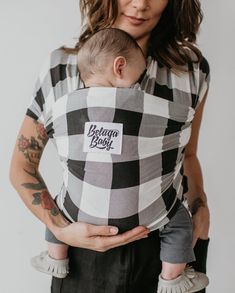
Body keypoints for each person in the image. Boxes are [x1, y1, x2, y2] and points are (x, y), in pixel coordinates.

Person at [9, 1, 210, 293]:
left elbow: (188, 153)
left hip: (168, 248)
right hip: (82, 253)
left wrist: (200, 207)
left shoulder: (190, 70)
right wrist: (60, 229)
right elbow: (22, 167)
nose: (140, 4)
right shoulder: (60, 70)